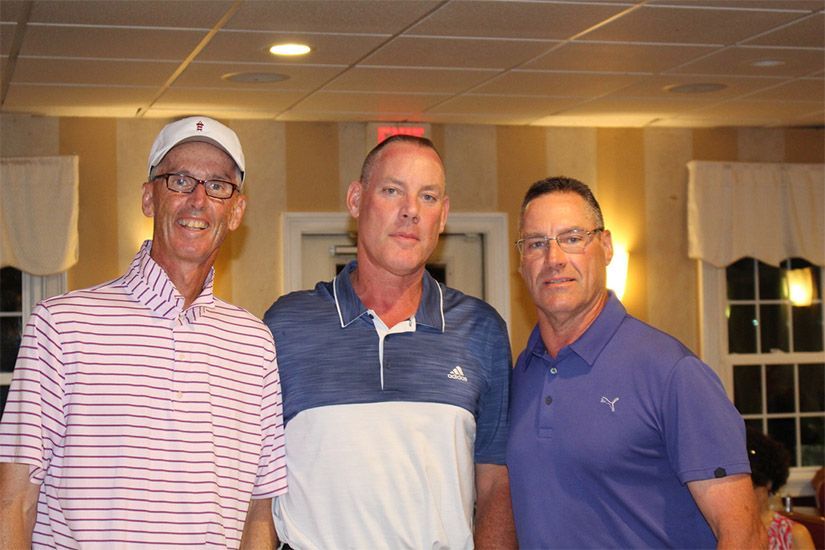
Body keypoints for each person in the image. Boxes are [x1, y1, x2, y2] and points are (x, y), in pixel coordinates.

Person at [0, 116, 287, 549]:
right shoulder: (61, 326)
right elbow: (14, 500)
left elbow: (258, 513)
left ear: (236, 211)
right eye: (180, 180)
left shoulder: (254, 344)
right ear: (149, 198)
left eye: (218, 186)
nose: (198, 200)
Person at [263, 134, 515, 549]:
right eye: (392, 190)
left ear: (444, 214)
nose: (410, 211)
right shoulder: (286, 326)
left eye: (428, 197)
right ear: (356, 199)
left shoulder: (482, 330)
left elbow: (495, 486)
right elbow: (260, 486)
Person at [506, 176, 767, 549]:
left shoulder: (673, 373)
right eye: (536, 244)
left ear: (606, 246)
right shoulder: (523, 373)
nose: (554, 259)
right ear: (521, 262)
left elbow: (744, 535)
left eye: (573, 238)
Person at [747, 427, 816, 550]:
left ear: (769, 483)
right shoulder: (723, 531)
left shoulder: (794, 534)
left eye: (753, 487)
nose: (746, 495)